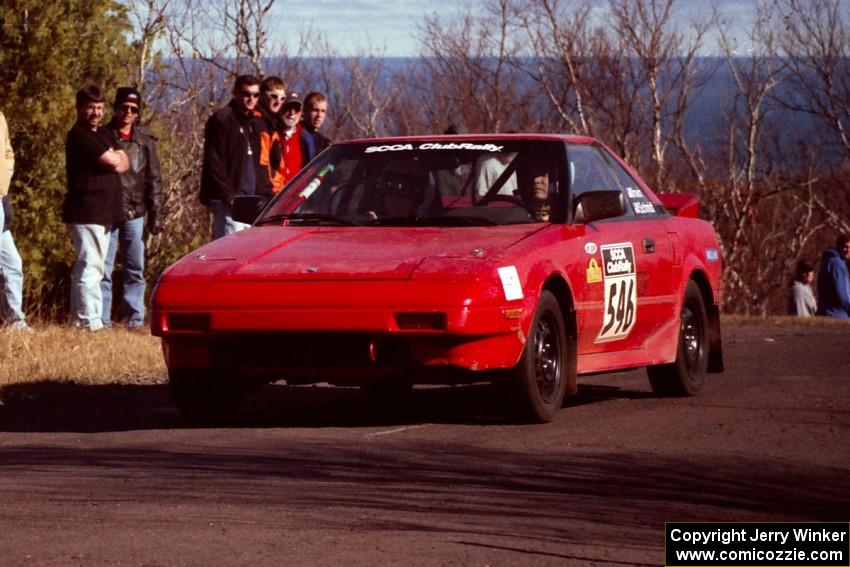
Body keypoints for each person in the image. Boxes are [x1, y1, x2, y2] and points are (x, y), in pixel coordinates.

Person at [64, 85, 129, 332]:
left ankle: (86, 318)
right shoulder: (79, 135)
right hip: (86, 210)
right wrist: (114, 157)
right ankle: (87, 321)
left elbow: (124, 162)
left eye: (100, 107)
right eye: (91, 107)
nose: (96, 113)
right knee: (90, 266)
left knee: (96, 266)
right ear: (79, 108)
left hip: (104, 212)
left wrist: (115, 157)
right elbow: (113, 160)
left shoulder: (103, 133)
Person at [101, 87, 163, 331]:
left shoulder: (145, 143)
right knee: (103, 269)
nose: (127, 112)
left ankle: (134, 320)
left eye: (133, 109)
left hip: (134, 213)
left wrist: (156, 214)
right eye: (123, 107)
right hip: (106, 211)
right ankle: (102, 321)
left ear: (138, 113)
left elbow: (154, 180)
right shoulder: (103, 137)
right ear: (115, 108)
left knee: (135, 268)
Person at [200, 75, 273, 239]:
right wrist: (229, 197)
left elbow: (260, 164)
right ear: (235, 93)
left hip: (253, 202)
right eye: (247, 94)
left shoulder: (256, 122)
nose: (251, 99)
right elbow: (214, 163)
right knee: (230, 253)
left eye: (255, 95)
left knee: (250, 253)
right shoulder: (222, 120)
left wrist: (267, 196)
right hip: (229, 202)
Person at [0, 110, 29, 330]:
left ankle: (14, 321)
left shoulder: (0, 117)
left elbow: (7, 152)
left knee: (12, 263)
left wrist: (4, 187)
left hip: (0, 197)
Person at [257, 76, 287, 193]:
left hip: (276, 188)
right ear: (262, 95)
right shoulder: (258, 123)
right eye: (274, 96)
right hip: (266, 191)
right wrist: (269, 191)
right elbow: (262, 163)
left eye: (282, 98)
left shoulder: (273, 124)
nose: (278, 101)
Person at [816, 234, 850, 319]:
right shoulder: (837, 264)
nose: (848, 250)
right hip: (837, 314)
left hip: (826, 313)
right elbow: (842, 293)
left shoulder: (828, 261)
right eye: (845, 247)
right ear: (838, 246)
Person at [300, 92, 331, 163]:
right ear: (304, 111)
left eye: (323, 111)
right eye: (315, 110)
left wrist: (322, 172)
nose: (319, 115)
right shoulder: (295, 134)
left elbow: (328, 166)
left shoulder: (324, 142)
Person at [280, 91, 304, 183]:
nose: (292, 113)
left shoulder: (303, 137)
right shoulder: (272, 133)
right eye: (288, 108)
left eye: (297, 109)